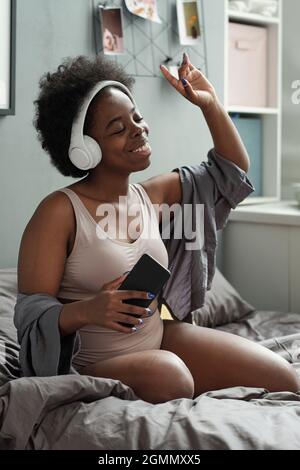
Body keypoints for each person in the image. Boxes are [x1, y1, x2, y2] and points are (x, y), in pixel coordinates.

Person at [16, 54, 300, 404]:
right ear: (84, 150)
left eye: (137, 117)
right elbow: (30, 315)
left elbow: (231, 171)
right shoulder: (59, 211)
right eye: (118, 128)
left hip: (158, 336)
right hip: (91, 361)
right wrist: (89, 309)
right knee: (171, 376)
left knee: (284, 378)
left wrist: (208, 102)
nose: (138, 129)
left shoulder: (152, 196)